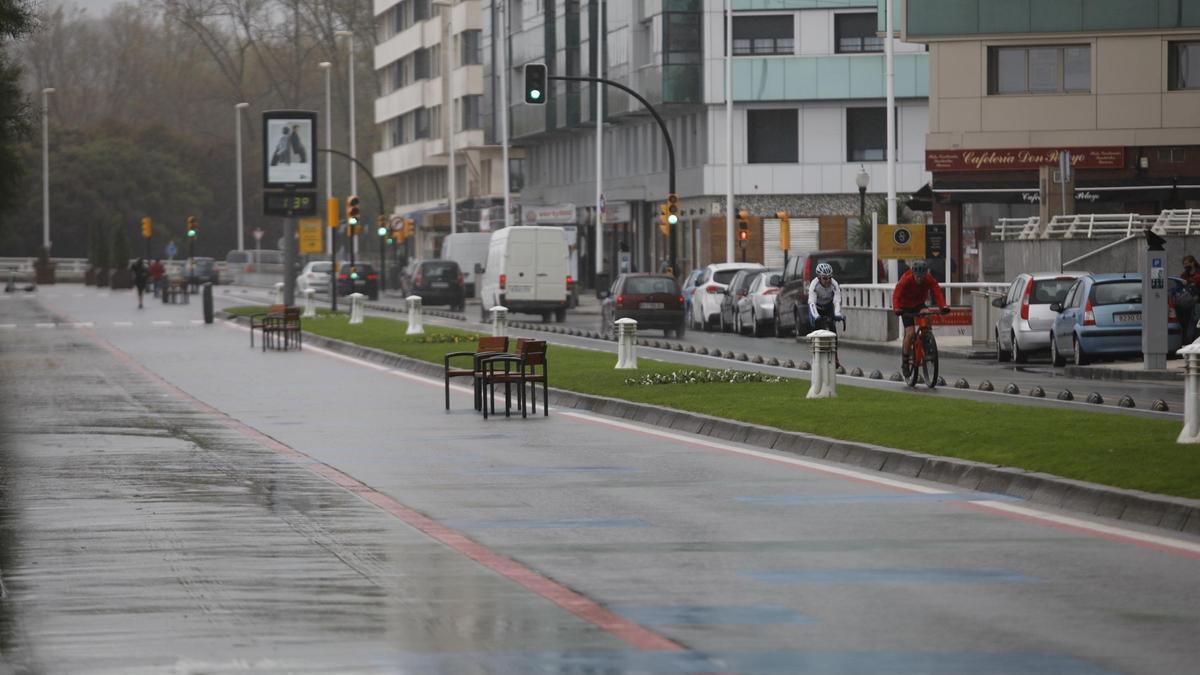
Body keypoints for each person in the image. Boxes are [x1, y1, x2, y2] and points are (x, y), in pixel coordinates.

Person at [892, 259, 950, 372]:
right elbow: (896, 295)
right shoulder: (906, 279)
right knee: (910, 333)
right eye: (917, 276)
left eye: (921, 276)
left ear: (925, 274)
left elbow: (937, 292)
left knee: (927, 315)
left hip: (919, 303)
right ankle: (905, 361)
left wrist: (943, 307)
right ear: (913, 274)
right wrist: (897, 309)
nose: (919, 279)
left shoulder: (928, 279)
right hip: (905, 306)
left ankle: (927, 340)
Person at [807, 262, 844, 367]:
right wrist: (816, 317)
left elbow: (837, 301)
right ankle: (815, 356)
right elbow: (812, 303)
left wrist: (837, 313)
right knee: (816, 332)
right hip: (816, 308)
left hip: (828, 307)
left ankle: (835, 358)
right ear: (819, 278)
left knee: (833, 333)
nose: (828, 281)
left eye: (829, 278)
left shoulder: (834, 284)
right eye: (825, 278)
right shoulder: (814, 285)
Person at [1179, 255, 1200, 343]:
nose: (1185, 266)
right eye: (1184, 264)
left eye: (1187, 264)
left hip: (1197, 301)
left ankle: (1192, 340)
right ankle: (1188, 340)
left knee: (1195, 321)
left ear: (1193, 263)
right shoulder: (1184, 274)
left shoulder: (1198, 273)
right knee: (1188, 321)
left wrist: (1192, 283)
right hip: (1187, 302)